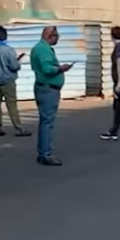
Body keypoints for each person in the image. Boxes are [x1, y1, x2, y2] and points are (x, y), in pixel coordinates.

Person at [30, 26, 74, 166]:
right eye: (56, 37)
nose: (58, 39)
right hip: (48, 89)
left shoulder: (41, 48)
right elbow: (47, 69)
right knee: (47, 123)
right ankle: (45, 154)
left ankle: (43, 152)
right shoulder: (43, 50)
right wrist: (62, 68)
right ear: (50, 36)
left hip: (44, 88)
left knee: (45, 122)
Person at [0, 25, 30, 137]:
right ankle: (19, 128)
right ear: (6, 37)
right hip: (8, 81)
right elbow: (14, 67)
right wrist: (18, 62)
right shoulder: (9, 51)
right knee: (11, 105)